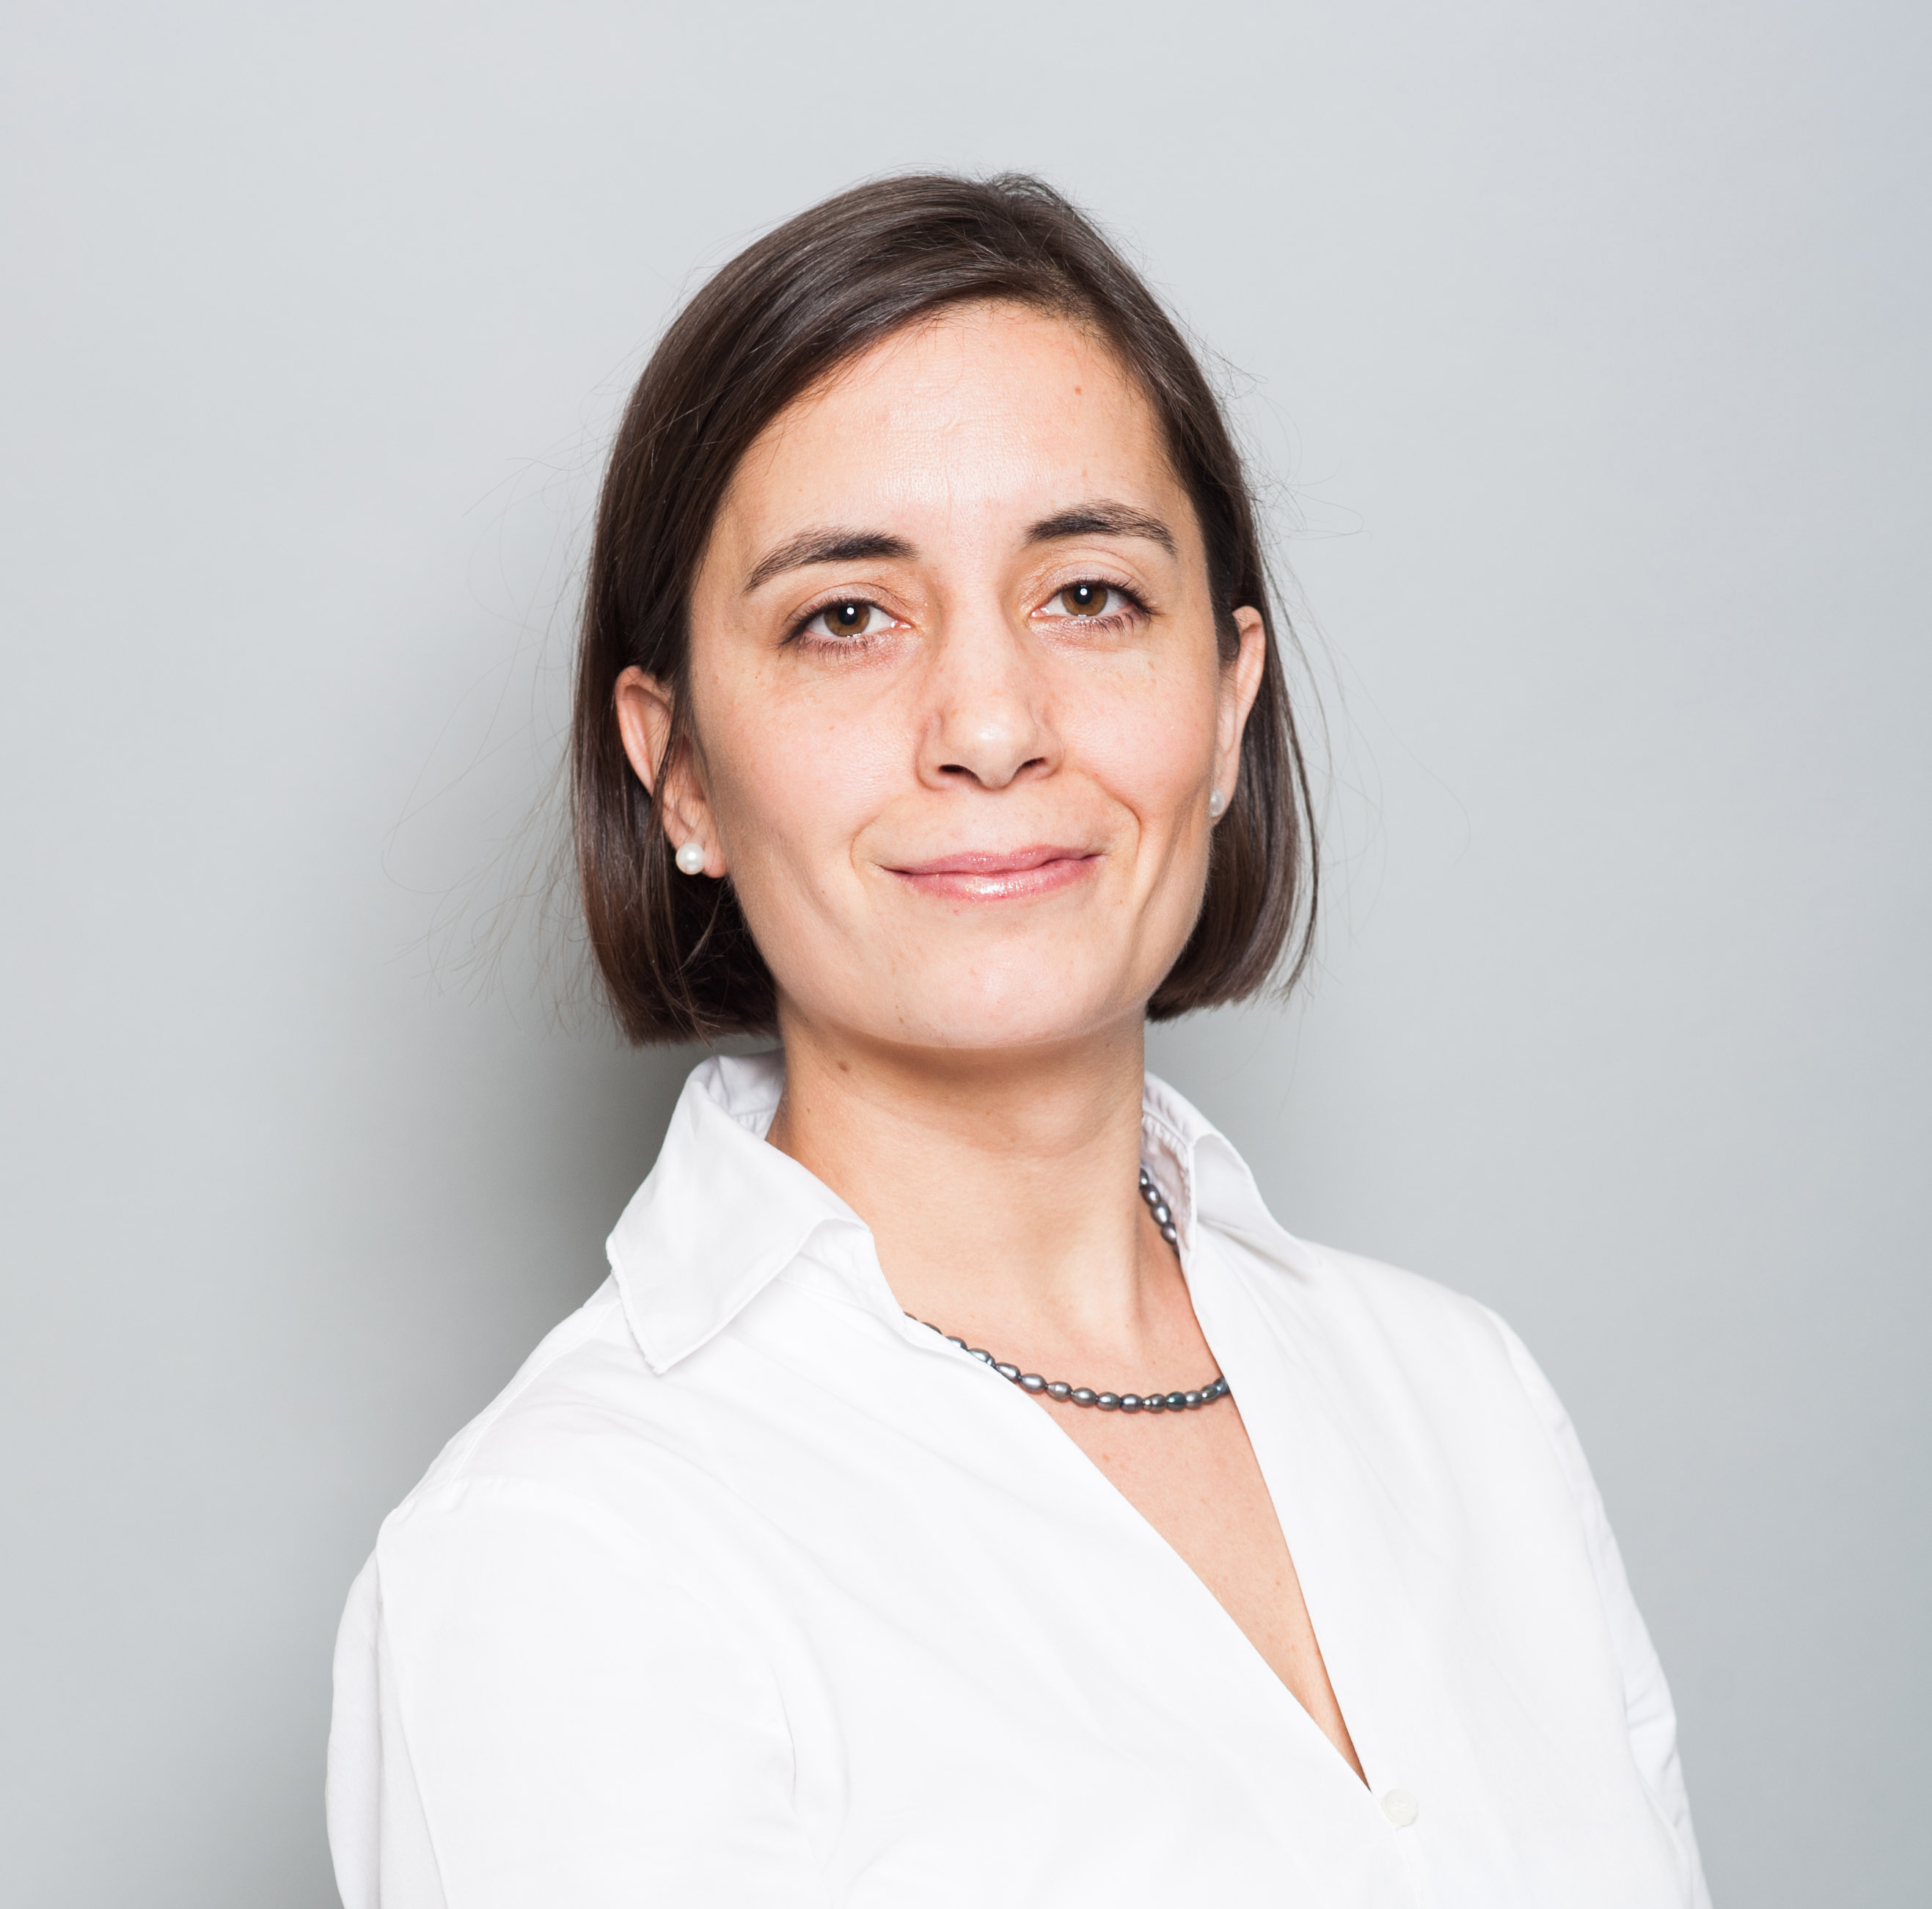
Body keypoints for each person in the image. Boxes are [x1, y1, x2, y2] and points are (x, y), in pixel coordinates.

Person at [326, 173, 1710, 1908]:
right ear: (677, 770)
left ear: (1228, 701)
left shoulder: (1466, 1406)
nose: (990, 725)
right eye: (846, 616)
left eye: (1092, 596)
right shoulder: (572, 1557)